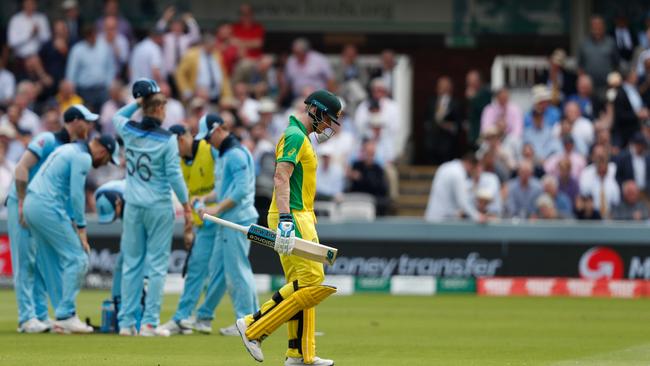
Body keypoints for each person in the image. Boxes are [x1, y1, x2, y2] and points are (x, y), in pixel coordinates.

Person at [235, 90, 341, 366]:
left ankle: (300, 354)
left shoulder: (301, 137)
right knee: (311, 282)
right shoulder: (294, 135)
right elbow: (281, 176)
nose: (329, 126)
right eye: (328, 119)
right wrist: (285, 220)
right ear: (316, 111)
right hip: (292, 214)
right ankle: (253, 326)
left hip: (301, 214)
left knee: (299, 285)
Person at [112, 79, 193, 336]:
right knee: (157, 266)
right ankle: (148, 323)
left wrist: (137, 102)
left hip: (133, 206)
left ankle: (126, 324)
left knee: (132, 264)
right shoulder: (167, 139)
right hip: (158, 206)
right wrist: (186, 206)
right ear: (158, 110)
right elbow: (174, 176)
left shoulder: (128, 129)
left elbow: (117, 116)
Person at [6, 104, 97, 334]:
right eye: (87, 121)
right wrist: (23, 203)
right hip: (23, 202)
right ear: (75, 121)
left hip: (43, 208)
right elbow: (20, 169)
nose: (90, 126)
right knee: (25, 259)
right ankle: (26, 318)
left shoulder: (72, 151)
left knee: (40, 262)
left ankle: (40, 315)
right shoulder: (47, 139)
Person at [23, 134, 119, 333]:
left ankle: (60, 317)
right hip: (47, 206)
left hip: (33, 204)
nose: (104, 164)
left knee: (50, 262)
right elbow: (77, 193)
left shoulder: (67, 149)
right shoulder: (83, 156)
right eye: (108, 159)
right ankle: (66, 315)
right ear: (102, 150)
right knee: (78, 258)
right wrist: (81, 229)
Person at [190, 114, 260, 336]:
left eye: (209, 137)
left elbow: (240, 191)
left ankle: (247, 321)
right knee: (219, 270)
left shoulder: (236, 155)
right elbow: (224, 189)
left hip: (237, 220)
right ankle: (204, 316)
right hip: (229, 220)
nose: (208, 142)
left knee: (237, 271)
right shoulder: (225, 154)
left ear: (219, 129)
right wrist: (205, 198)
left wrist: (216, 208)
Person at [159, 121, 219, 335]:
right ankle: (183, 317)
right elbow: (189, 197)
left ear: (182, 139)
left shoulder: (209, 149)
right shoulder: (179, 161)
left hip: (223, 218)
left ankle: (204, 316)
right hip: (203, 224)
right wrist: (189, 226)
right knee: (195, 270)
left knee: (228, 272)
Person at [65, 25, 115, 113]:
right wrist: (70, 85)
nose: (91, 38)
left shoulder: (105, 47)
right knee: (87, 116)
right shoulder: (77, 50)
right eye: (89, 36)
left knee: (103, 115)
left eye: (93, 35)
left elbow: (110, 68)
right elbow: (71, 71)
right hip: (84, 90)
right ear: (85, 36)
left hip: (102, 89)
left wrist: (110, 84)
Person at [425, 151, 485, 222]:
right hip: (443, 220)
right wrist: (477, 216)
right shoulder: (458, 173)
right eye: (473, 169)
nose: (471, 172)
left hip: (432, 216)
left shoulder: (446, 166)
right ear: (469, 164)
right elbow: (462, 201)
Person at [175, 33, 233, 103]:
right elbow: (180, 73)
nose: (212, 47)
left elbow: (223, 76)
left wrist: (227, 95)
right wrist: (186, 91)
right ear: (203, 44)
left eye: (213, 45)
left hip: (217, 97)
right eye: (210, 45)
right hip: (197, 96)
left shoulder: (217, 55)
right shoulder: (191, 54)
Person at [156, 7, 200, 83]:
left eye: (179, 25)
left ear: (183, 27)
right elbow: (158, 30)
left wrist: (189, 20)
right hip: (168, 72)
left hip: (183, 72)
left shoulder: (186, 38)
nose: (177, 27)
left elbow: (196, 36)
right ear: (171, 26)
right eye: (175, 25)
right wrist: (165, 19)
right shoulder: (167, 37)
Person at [578, 15, 619, 95]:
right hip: (589, 88)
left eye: (599, 25)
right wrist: (583, 83)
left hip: (607, 87)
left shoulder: (611, 43)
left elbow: (616, 64)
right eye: (594, 25)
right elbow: (580, 66)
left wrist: (613, 81)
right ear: (591, 27)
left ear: (603, 27)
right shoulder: (584, 44)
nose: (596, 28)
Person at [579, 145, 620, 219]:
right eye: (600, 163)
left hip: (610, 217)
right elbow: (583, 197)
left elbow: (616, 201)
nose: (602, 167)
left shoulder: (613, 176)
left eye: (604, 163)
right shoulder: (588, 176)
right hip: (593, 218)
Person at [465, 70, 492, 145]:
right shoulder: (474, 92)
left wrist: (473, 99)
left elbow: (485, 109)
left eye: (472, 81)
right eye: (468, 81)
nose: (470, 83)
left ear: (479, 81)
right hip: (473, 131)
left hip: (481, 130)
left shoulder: (486, 92)